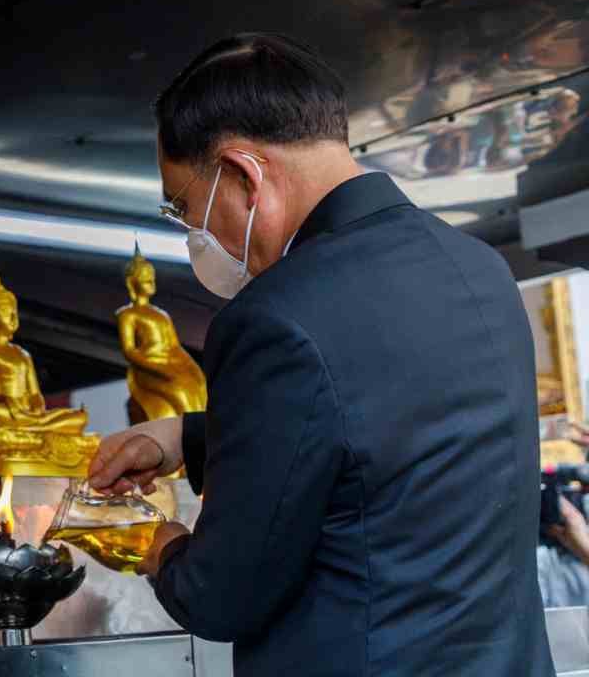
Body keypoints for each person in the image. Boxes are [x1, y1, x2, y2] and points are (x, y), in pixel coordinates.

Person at [88, 33, 554, 675]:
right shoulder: (480, 267)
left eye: (189, 209)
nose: (197, 235)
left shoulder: (274, 316)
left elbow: (221, 595)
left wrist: (153, 541)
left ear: (243, 175)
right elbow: (386, 438)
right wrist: (186, 438)